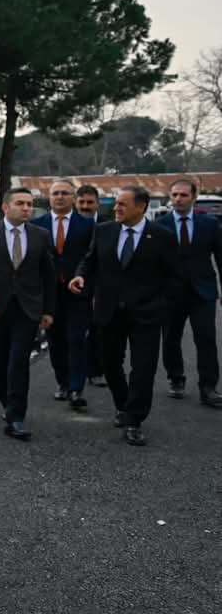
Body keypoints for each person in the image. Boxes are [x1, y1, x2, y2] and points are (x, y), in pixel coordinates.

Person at [70, 185, 182, 446]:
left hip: (146, 314)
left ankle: (134, 420)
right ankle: (123, 405)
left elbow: (174, 277)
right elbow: (90, 260)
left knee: (143, 368)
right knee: (109, 363)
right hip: (109, 311)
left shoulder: (162, 237)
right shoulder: (104, 230)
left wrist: (160, 305)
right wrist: (80, 276)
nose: (116, 208)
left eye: (122, 204)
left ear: (141, 207)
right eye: (116, 203)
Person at [0, 187, 57, 440]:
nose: (27, 208)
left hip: (28, 309)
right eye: (21, 203)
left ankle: (16, 417)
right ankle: (7, 404)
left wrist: (49, 310)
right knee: (2, 358)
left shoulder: (40, 235)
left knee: (19, 359)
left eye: (29, 204)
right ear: (6, 207)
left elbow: (49, 276)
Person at [33, 180, 94, 409]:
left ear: (73, 197)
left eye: (65, 193)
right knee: (55, 341)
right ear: (49, 197)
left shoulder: (88, 226)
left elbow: (92, 257)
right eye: (55, 193)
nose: (60, 197)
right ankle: (63, 383)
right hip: (49, 295)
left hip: (77, 292)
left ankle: (77, 389)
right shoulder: (36, 225)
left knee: (76, 339)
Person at [160, 179, 222, 408]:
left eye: (184, 195)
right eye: (174, 195)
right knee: (170, 338)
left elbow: (221, 258)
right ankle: (176, 378)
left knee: (206, 338)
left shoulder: (210, 224)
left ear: (194, 197)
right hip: (170, 293)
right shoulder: (161, 225)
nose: (178, 199)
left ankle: (208, 387)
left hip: (202, 292)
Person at [75, 185, 105, 387]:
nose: (85, 206)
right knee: (73, 333)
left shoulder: (108, 225)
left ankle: (95, 370)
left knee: (97, 331)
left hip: (99, 286)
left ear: (97, 204)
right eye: (81, 202)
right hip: (71, 284)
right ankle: (72, 374)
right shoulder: (67, 224)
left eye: (90, 202)